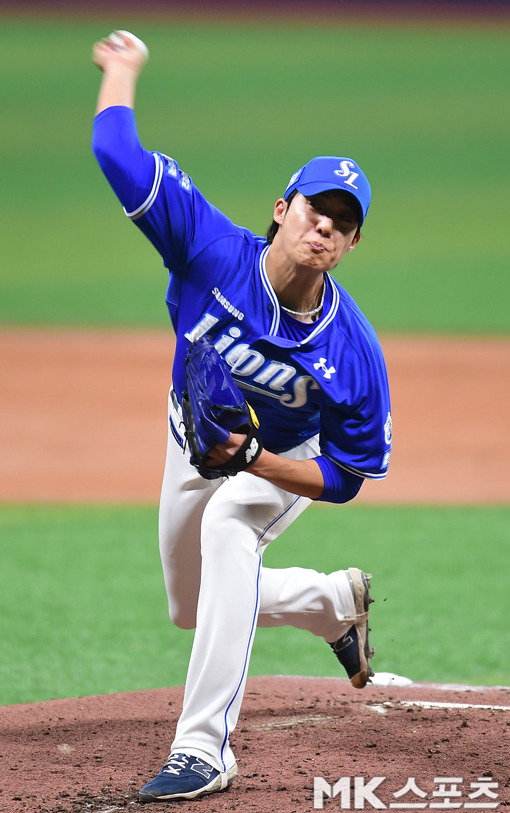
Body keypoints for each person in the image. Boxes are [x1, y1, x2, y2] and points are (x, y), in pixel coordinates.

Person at [92, 31, 392, 804]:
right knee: (191, 606)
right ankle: (332, 603)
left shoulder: (354, 354)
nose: (322, 224)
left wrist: (254, 458)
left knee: (231, 527)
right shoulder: (209, 249)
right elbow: (115, 153)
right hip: (191, 439)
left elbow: (346, 475)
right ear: (281, 208)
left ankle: (203, 748)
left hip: (279, 458)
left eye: (340, 220)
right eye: (313, 207)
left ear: (351, 243)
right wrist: (122, 70)